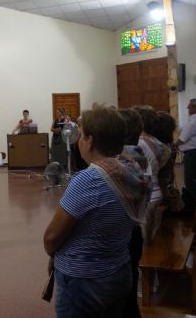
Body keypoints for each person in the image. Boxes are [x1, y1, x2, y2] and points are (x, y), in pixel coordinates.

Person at [44, 107, 150, 318]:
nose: (78, 141)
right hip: (119, 269)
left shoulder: (88, 180)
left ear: (90, 140)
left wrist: (54, 254)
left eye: (81, 135)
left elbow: (51, 238)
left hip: (84, 280)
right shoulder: (134, 168)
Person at [118, 108, 149, 318]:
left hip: (121, 235)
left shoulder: (122, 161)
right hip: (134, 227)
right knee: (129, 290)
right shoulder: (140, 154)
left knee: (120, 296)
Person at [134, 105, 171, 243]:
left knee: (144, 244)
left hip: (146, 197)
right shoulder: (158, 142)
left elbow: (140, 172)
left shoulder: (139, 143)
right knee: (152, 241)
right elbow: (161, 161)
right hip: (156, 192)